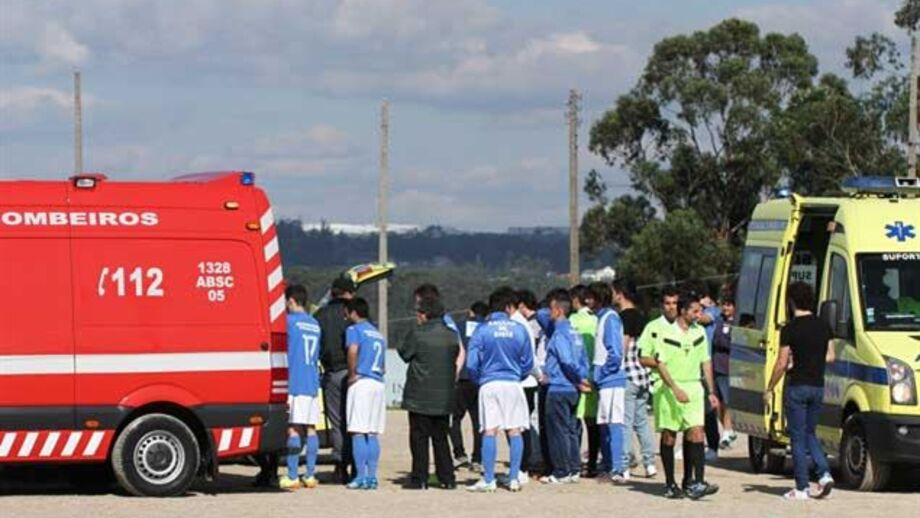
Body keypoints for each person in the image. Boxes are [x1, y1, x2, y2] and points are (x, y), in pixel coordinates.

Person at [640, 291, 720, 500]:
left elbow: (706, 361)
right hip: (668, 388)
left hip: (694, 387)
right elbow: (656, 362)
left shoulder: (699, 332)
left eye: (700, 311)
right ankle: (670, 483)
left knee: (696, 433)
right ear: (683, 311)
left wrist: (711, 391)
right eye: (695, 311)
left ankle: (696, 481)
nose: (698, 315)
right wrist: (674, 388)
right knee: (669, 435)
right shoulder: (661, 332)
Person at [765, 282, 835, 501]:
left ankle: (802, 487)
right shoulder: (824, 326)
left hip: (797, 386)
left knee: (796, 437)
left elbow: (781, 363)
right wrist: (812, 359)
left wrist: (769, 387)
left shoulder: (790, 328)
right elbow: (831, 356)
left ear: (791, 302)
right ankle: (823, 473)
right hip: (817, 385)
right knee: (810, 433)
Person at [465, 287, 535, 493]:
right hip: (513, 384)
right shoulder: (519, 329)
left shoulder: (482, 329)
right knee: (515, 430)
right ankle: (514, 478)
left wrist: (480, 379)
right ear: (508, 307)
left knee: (489, 430)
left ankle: (488, 479)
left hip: (489, 384)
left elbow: (471, 363)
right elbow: (528, 362)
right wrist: (517, 376)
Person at [398, 296, 462, 490]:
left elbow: (404, 353)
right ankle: (447, 477)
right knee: (441, 439)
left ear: (424, 315)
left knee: (419, 439)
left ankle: (420, 478)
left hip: (419, 396)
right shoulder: (451, 336)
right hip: (444, 397)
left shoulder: (418, 334)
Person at [540, 289, 590, 484]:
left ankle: (561, 470)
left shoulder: (560, 333)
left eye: (551, 309)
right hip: (573, 389)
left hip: (559, 386)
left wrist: (577, 378)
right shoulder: (574, 331)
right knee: (570, 429)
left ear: (558, 311)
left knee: (557, 431)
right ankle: (574, 467)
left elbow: (566, 360)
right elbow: (583, 358)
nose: (548, 313)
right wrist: (583, 378)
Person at [279, 284, 323, 490]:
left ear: (290, 301)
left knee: (293, 429)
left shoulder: (289, 322)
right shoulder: (315, 324)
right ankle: (311, 474)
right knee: (311, 429)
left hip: (295, 381)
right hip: (312, 382)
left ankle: (293, 474)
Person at [612, 279, 656, 479]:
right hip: (643, 376)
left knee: (625, 422)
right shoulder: (642, 316)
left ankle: (624, 465)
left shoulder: (624, 317)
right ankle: (650, 464)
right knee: (642, 422)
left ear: (620, 293)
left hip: (628, 375)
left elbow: (623, 346)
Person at [316, 276, 357, 483]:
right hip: (354, 374)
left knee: (337, 421)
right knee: (356, 421)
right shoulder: (354, 313)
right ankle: (357, 465)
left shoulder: (321, 315)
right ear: (349, 293)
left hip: (332, 373)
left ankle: (340, 466)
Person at [343, 297, 386, 490]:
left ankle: (360, 476)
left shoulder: (354, 330)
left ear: (353, 312)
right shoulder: (377, 333)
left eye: (346, 311)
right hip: (378, 383)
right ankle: (372, 476)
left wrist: (352, 374)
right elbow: (384, 366)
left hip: (362, 382)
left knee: (358, 431)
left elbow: (353, 350)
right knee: (372, 432)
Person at [591, 281, 628, 483]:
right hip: (605, 381)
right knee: (604, 424)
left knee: (614, 424)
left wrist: (603, 373)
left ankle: (618, 468)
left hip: (612, 380)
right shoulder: (602, 318)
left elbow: (615, 352)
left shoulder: (611, 318)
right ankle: (608, 464)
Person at [451, 301, 488, 472]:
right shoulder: (488, 327)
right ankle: (477, 458)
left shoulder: (459, 326)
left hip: (461, 378)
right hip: (480, 380)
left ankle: (459, 454)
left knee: (455, 419)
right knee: (478, 422)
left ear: (470, 312)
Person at [511, 288, 543, 483]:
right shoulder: (521, 323)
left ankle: (523, 465)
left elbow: (527, 358)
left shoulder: (517, 324)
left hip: (524, 381)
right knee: (522, 425)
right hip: (527, 380)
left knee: (519, 426)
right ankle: (525, 464)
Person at [569, 285, 599, 477]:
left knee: (574, 423)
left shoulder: (572, 320)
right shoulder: (596, 320)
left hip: (576, 376)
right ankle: (593, 464)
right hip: (594, 375)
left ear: (575, 300)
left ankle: (574, 463)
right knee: (593, 423)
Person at [696, 288, 723, 462]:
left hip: (707, 365)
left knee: (707, 410)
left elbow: (704, 318)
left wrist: (695, 311)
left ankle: (713, 445)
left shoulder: (713, 311)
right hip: (692, 366)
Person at [712, 294, 737, 449]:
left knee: (727, 401)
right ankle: (729, 429)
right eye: (724, 305)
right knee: (716, 403)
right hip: (716, 366)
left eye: (729, 305)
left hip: (728, 367)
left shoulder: (736, 323)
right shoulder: (719, 321)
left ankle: (727, 431)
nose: (726, 308)